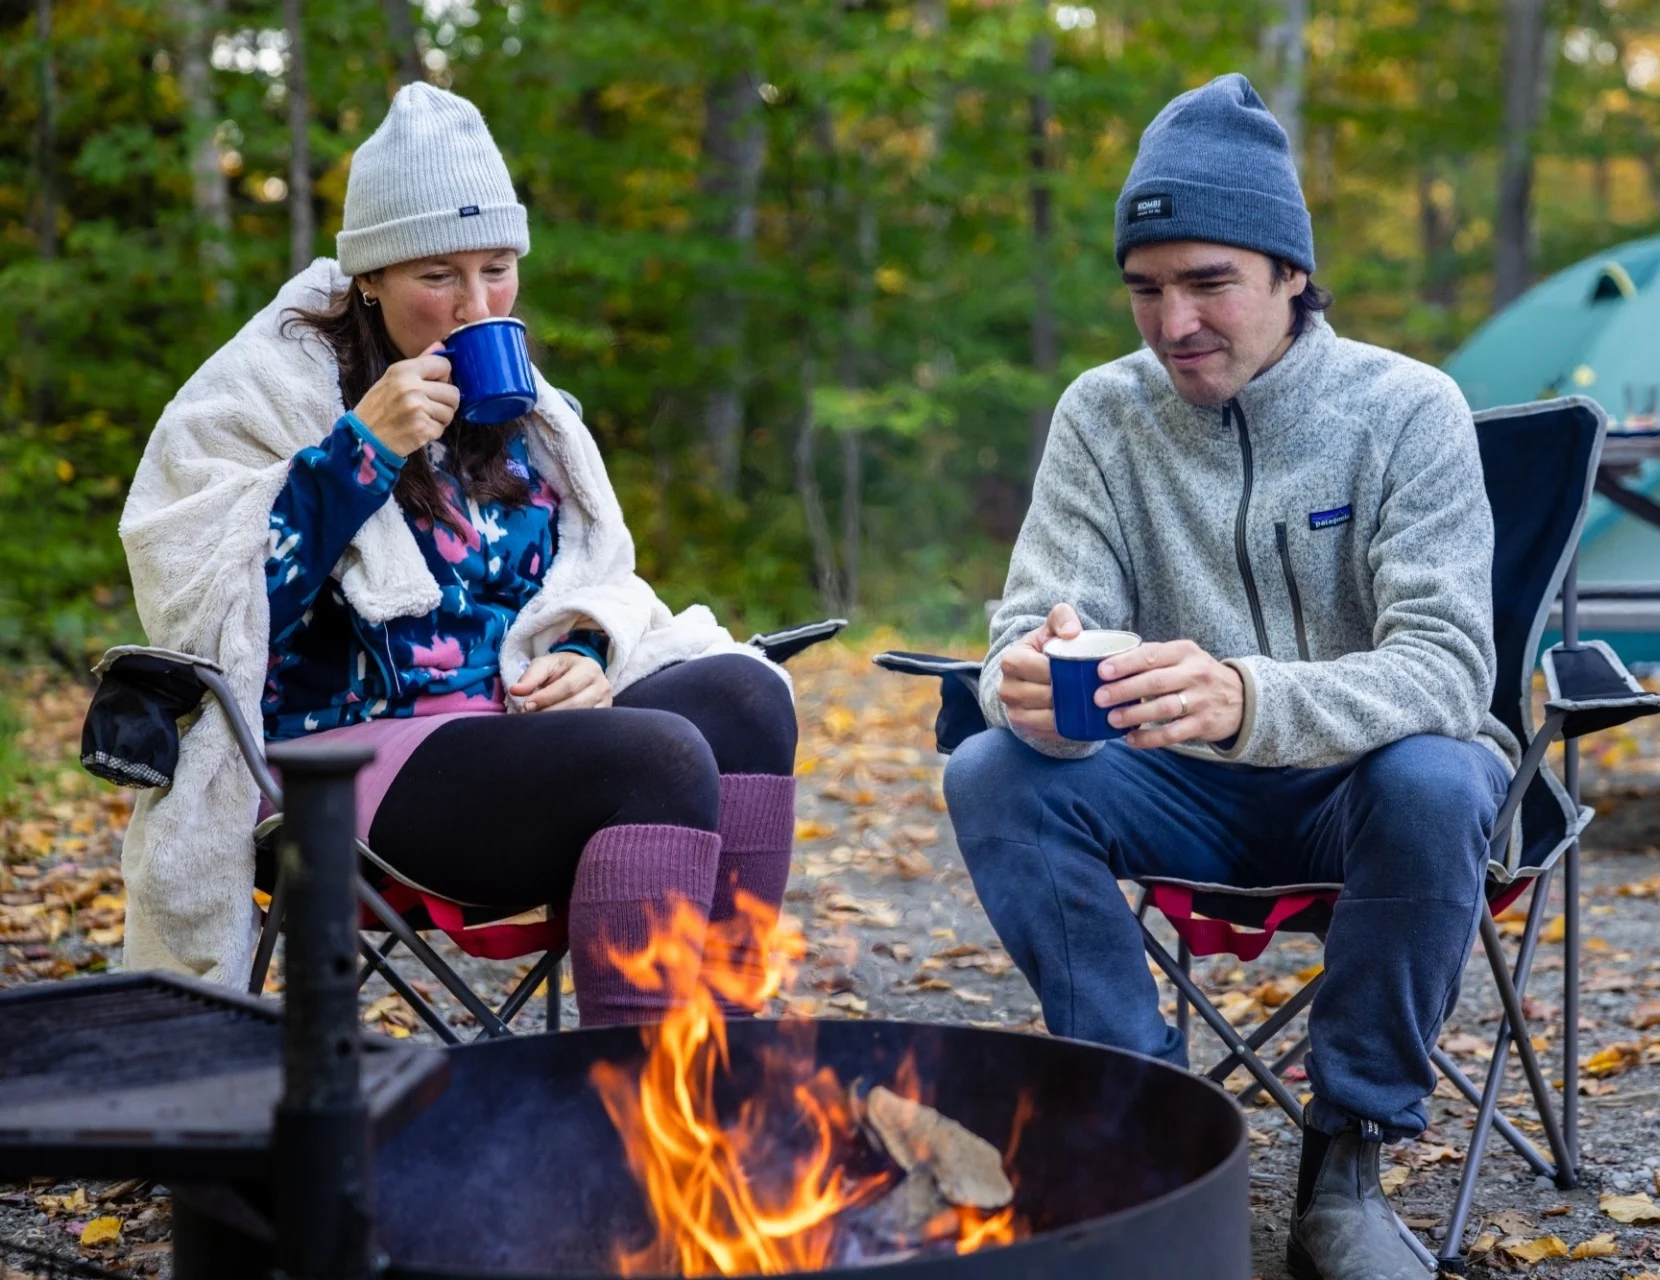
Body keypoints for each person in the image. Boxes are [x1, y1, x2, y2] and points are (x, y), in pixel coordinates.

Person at [940, 74, 1513, 1280]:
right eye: (1146, 288)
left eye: (1210, 283)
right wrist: (1025, 684)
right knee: (995, 769)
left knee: (1441, 776)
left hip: (1356, 785)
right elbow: (1014, 641)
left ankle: (1346, 1168)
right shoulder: (1103, 413)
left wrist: (1253, 697)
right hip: (1174, 782)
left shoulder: (1407, 410)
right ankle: (1150, 1135)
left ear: (1292, 272)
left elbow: (1451, 666)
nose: (1174, 322)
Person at [118, 84, 796, 1025]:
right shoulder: (267, 391)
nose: (474, 306)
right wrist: (360, 453)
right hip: (330, 760)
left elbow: (588, 579)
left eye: (497, 269)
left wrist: (584, 653)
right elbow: (201, 608)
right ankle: (626, 1112)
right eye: (437, 275)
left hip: (504, 729)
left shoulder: (529, 418)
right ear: (369, 277)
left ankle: (719, 1064)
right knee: (661, 757)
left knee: (744, 694)